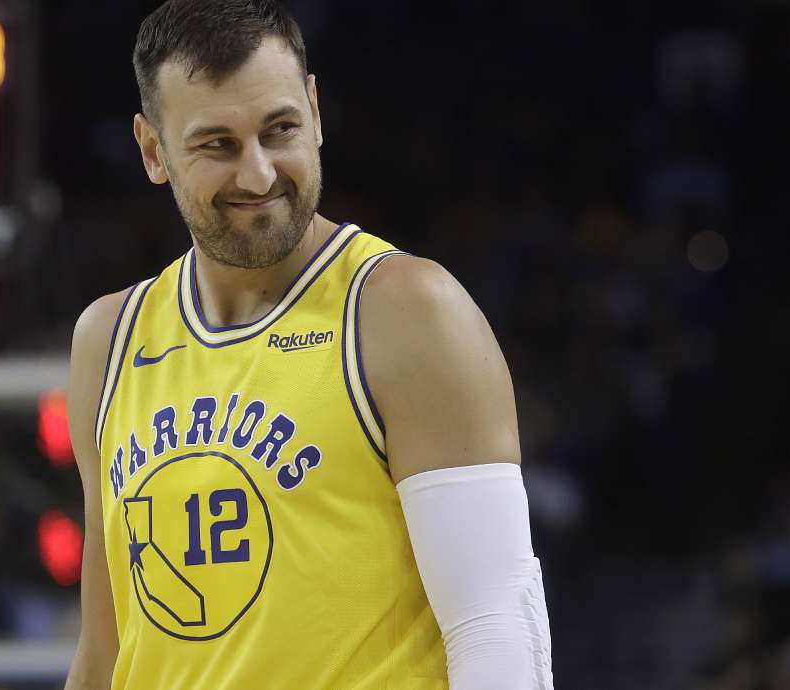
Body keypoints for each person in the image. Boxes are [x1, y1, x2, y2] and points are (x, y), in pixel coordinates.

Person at [64, 1, 553, 688]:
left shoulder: (405, 311)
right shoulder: (108, 340)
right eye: (218, 145)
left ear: (315, 112)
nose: (259, 175)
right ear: (153, 150)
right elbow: (105, 650)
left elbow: (497, 622)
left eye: (279, 130)